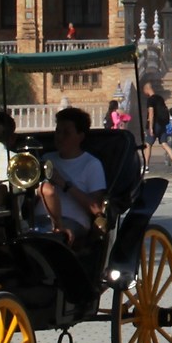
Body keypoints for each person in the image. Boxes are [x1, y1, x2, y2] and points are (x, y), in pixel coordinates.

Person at [37, 106, 107, 253]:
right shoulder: (46, 159)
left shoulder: (91, 164)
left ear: (80, 136)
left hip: (73, 221)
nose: (60, 137)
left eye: (66, 133)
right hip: (39, 219)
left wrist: (63, 183)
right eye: (58, 132)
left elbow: (96, 208)